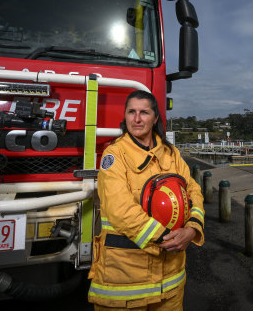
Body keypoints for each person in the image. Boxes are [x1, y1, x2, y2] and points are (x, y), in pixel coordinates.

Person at [88, 90, 205, 310]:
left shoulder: (172, 155)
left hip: (171, 284)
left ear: (155, 118)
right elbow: (119, 210)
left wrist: (191, 230)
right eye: (131, 112)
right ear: (125, 116)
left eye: (144, 112)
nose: (137, 119)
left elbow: (193, 192)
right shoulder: (114, 155)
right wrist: (168, 238)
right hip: (125, 283)